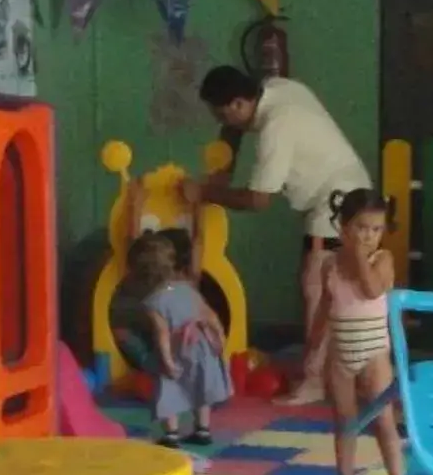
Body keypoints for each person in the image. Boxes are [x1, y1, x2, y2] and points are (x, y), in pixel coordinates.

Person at [190, 66, 374, 406]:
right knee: (322, 286)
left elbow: (259, 200)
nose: (223, 122)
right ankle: (331, 371)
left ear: (239, 104)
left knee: (319, 288)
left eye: (222, 113)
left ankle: (319, 379)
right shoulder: (276, 87)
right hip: (342, 191)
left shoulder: (277, 127)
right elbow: (231, 130)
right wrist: (222, 173)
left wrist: (205, 192)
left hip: (337, 200)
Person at [322, 189, 403, 475]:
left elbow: (371, 291)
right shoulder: (330, 264)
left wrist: (358, 255)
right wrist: (315, 346)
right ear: (343, 227)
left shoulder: (382, 259)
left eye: (376, 229)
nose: (368, 236)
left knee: (383, 420)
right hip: (340, 353)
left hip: (374, 354)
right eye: (360, 228)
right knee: (344, 419)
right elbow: (324, 307)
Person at [130, 229, 232, 446]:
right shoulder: (187, 289)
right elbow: (210, 315)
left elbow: (162, 333)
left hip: (177, 349)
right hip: (202, 347)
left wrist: (166, 361)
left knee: (168, 387)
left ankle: (171, 434)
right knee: (200, 387)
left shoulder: (153, 302)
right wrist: (220, 340)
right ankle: (203, 430)